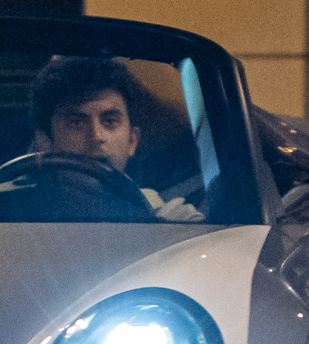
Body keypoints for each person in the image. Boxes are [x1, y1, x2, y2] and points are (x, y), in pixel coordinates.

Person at [13, 55, 204, 221]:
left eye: (110, 122)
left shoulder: (172, 219)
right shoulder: (7, 211)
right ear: (44, 141)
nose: (96, 136)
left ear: (132, 141)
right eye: (76, 123)